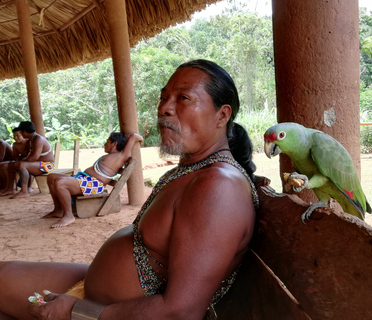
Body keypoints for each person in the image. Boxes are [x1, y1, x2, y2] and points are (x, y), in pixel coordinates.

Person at [0, 59, 258, 320]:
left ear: (222, 115)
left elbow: (181, 312)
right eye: (164, 97)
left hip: (104, 312)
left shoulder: (218, 188)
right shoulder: (195, 170)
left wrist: (78, 311)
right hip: (97, 293)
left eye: (184, 98)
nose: (165, 108)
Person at [42, 132, 143, 228]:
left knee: (60, 183)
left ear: (114, 143)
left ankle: (68, 215)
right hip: (85, 179)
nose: (104, 144)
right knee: (52, 177)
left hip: (94, 184)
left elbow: (134, 136)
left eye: (107, 141)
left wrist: (140, 139)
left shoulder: (121, 156)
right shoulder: (111, 156)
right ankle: (58, 209)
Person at [5, 121, 54, 199]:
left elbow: (34, 157)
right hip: (36, 164)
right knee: (11, 165)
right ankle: (9, 189)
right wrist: (17, 161)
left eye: (21, 132)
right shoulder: (31, 140)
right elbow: (25, 155)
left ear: (24, 132)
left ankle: (24, 191)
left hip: (47, 165)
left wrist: (20, 162)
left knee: (22, 165)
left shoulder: (38, 139)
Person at [0, 127, 31, 195]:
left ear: (23, 134)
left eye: (18, 135)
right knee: (4, 165)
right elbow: (15, 157)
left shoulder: (29, 142)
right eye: (14, 136)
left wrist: (20, 160)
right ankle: (8, 188)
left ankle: (27, 187)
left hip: (29, 163)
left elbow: (30, 155)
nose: (15, 137)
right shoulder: (15, 145)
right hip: (19, 161)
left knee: (6, 165)